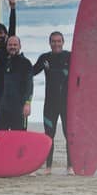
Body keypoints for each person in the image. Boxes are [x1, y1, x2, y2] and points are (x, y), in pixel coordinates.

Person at [32, 31, 72, 175]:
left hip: (67, 104)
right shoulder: (45, 58)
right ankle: (48, 167)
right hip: (50, 104)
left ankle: (70, 167)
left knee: (69, 135)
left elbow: (82, 74)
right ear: (49, 43)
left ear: (63, 42)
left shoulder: (70, 57)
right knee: (49, 135)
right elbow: (30, 72)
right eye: (53, 41)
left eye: (58, 41)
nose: (56, 44)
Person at [0, 0, 17, 129]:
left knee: (3, 124)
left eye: (1, 33)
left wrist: (13, 9)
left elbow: (12, 29)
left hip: (7, 93)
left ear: (6, 34)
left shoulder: (8, 48)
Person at [0, 36, 33, 130]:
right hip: (4, 107)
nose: (12, 47)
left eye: (15, 45)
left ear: (20, 46)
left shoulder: (26, 63)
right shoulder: (3, 62)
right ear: (6, 46)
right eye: (10, 45)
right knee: (2, 137)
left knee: (19, 138)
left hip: (19, 108)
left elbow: (30, 85)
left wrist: (27, 104)